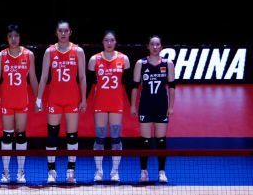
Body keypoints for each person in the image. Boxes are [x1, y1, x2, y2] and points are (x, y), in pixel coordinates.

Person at [35, 21, 87, 184]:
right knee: (52, 136)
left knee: (72, 136)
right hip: (54, 99)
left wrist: (84, 99)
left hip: (72, 99)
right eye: (60, 31)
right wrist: (38, 98)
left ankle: (71, 171)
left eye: (66, 31)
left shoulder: (78, 51)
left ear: (70, 32)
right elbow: (44, 76)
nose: (63, 34)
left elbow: (82, 77)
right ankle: (52, 172)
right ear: (56, 33)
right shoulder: (50, 51)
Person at [0, 25, 40, 184]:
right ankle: (6, 172)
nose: (13, 39)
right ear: (7, 38)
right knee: (7, 136)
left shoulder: (28, 55)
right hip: (7, 101)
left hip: (22, 101)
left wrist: (38, 99)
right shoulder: (1, 56)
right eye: (10, 36)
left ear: (20, 37)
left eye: (16, 36)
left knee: (21, 135)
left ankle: (21, 172)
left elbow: (33, 78)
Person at [130, 35, 175, 183]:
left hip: (161, 105)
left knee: (161, 140)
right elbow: (135, 86)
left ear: (161, 47)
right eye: (152, 44)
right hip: (145, 105)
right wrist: (133, 105)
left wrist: (171, 106)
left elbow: (172, 86)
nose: (155, 47)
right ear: (148, 46)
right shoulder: (141, 63)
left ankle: (162, 172)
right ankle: (143, 172)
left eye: (157, 44)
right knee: (145, 141)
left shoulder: (167, 63)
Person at [88, 31, 131, 182]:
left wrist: (132, 104)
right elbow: (89, 83)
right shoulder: (94, 59)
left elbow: (128, 84)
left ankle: (114, 172)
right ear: (102, 42)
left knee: (115, 138)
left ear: (116, 42)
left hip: (116, 104)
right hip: (100, 103)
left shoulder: (123, 59)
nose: (109, 43)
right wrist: (83, 101)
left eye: (112, 40)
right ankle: (99, 172)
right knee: (99, 138)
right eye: (106, 40)